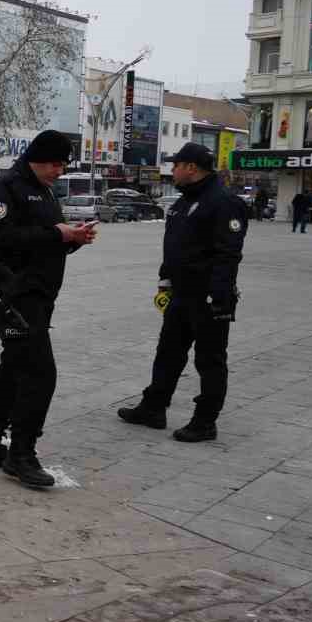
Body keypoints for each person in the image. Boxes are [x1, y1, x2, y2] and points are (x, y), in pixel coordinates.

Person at [0, 130, 98, 488]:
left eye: (63, 164)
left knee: (14, 367)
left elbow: (43, 241)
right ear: (38, 157)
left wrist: (72, 239)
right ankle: (21, 455)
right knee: (40, 373)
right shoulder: (4, 188)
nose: (60, 171)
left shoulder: (43, 190)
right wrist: (59, 235)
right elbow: (0, 240)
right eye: (56, 163)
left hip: (37, 295)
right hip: (11, 294)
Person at [117, 143, 247, 443]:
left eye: (176, 165)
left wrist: (219, 297)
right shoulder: (182, 202)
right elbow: (175, 246)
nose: (172, 170)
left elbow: (228, 253)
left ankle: (205, 421)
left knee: (209, 360)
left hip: (208, 296)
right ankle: (153, 407)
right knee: (168, 353)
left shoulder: (223, 202)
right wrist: (165, 278)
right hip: (181, 293)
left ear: (191, 168)